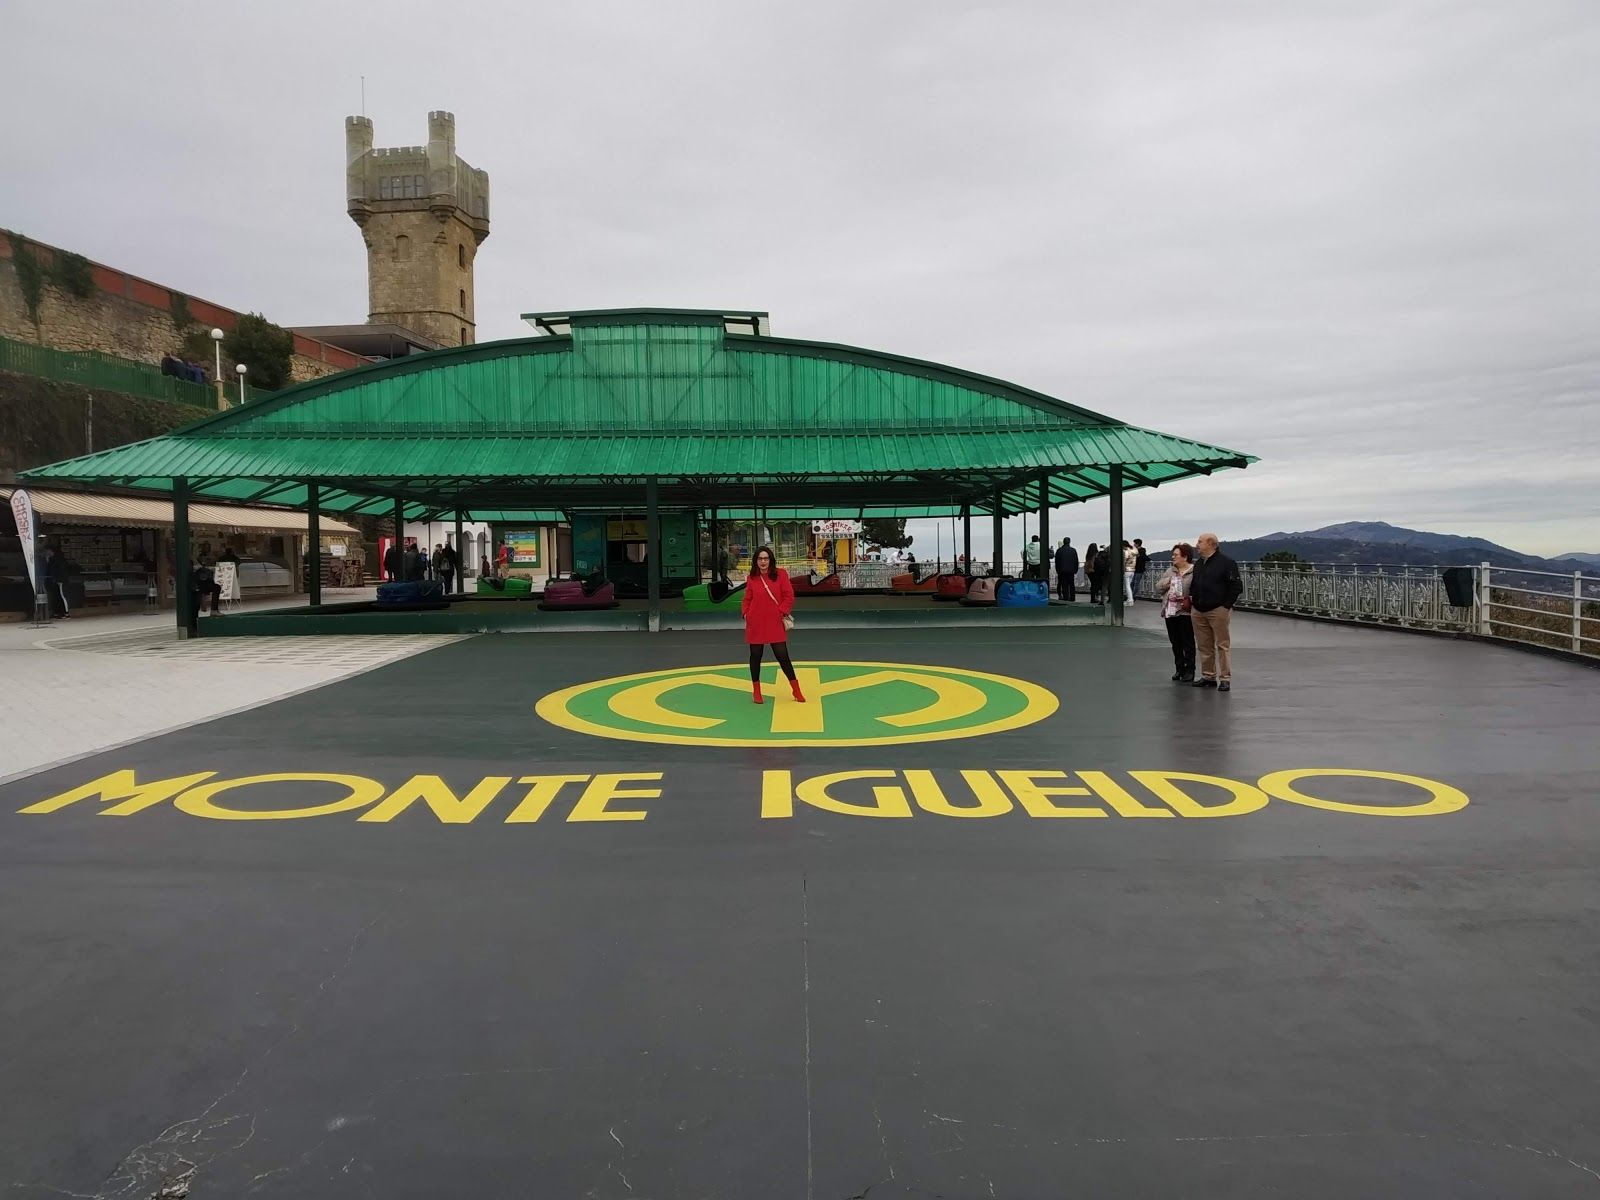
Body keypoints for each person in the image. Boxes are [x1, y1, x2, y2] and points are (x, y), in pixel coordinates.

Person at [742, 544, 805, 706]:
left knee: (782, 656)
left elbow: (788, 596)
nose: (763, 561)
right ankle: (756, 690)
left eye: (766, 558)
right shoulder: (752, 578)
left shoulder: (781, 574)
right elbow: (747, 599)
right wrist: (745, 614)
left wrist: (781, 611)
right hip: (755, 622)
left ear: (771, 560)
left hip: (775, 621)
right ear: (756, 561)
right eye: (760, 558)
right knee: (755, 656)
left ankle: (796, 688)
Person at [1190, 532, 1243, 691]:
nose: (1197, 545)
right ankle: (1208, 675)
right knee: (1204, 645)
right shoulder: (1199, 563)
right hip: (1199, 609)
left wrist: (1226, 606)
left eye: (1200, 542)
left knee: (1222, 644)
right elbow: (1195, 583)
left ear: (1211, 544)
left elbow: (1236, 586)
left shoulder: (1226, 563)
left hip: (1218, 609)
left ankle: (1225, 678)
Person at [1158, 543, 1197, 683]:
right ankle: (1179, 668)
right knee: (1175, 642)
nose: (1173, 557)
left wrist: (1189, 598)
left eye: (1176, 555)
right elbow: (1158, 587)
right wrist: (1167, 583)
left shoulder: (1194, 572)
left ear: (1185, 557)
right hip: (1170, 611)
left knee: (1188, 642)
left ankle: (1190, 669)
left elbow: (1197, 590)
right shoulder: (1170, 571)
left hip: (1185, 612)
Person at [43, 544, 71, 619]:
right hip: (58, 580)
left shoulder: (56, 559)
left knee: (62, 596)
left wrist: (59, 579)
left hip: (60, 580)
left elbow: (55, 570)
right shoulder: (57, 559)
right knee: (58, 596)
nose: (45, 552)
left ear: (50, 551)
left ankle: (66, 613)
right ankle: (61, 612)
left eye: (47, 551)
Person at [1054, 537, 1078, 601]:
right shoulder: (1073, 550)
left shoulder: (1059, 550)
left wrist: (1058, 571)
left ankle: (1066, 597)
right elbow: (1076, 561)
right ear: (1069, 542)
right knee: (1071, 585)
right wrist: (1075, 570)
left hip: (1062, 571)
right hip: (1071, 571)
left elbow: (1057, 562)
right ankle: (1072, 597)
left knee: (1064, 585)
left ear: (1063, 542)